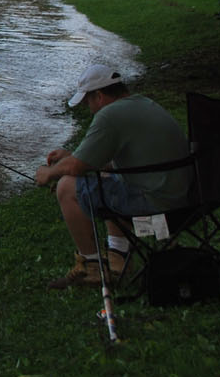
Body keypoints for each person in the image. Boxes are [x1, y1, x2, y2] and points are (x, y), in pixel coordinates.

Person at [33, 65, 193, 289]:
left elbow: (77, 168)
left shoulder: (110, 115)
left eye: (88, 102)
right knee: (107, 177)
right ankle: (118, 260)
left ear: (99, 96)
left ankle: (92, 267)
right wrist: (72, 157)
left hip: (157, 214)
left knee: (67, 186)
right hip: (185, 205)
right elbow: (96, 162)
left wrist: (48, 173)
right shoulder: (142, 104)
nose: (90, 109)